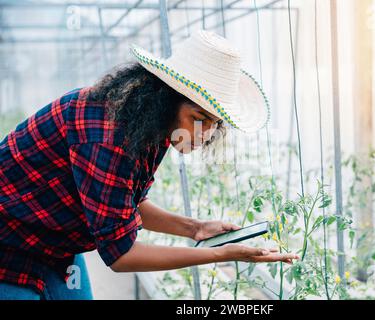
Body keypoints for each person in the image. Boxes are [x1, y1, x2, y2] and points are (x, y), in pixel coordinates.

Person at [0, 30, 298, 300]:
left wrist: (195, 228)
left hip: (55, 245)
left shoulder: (151, 127)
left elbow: (130, 202)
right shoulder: (106, 136)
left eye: (214, 123)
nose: (204, 134)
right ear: (166, 100)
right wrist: (219, 255)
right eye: (198, 118)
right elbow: (121, 256)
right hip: (10, 245)